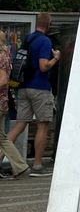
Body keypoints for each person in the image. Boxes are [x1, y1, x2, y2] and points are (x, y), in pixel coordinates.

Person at [7, 13, 60, 177]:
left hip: (23, 87)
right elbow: (43, 66)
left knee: (20, 124)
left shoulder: (28, 39)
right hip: (40, 88)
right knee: (43, 125)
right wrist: (56, 58)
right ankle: (37, 165)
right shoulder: (45, 41)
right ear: (49, 24)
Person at [0, 31, 29, 179]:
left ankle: (21, 166)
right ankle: (21, 167)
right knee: (3, 138)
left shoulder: (0, 57)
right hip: (3, 101)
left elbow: (3, 80)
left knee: (3, 138)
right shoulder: (6, 55)